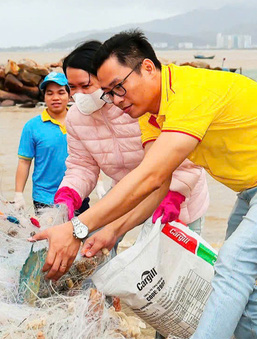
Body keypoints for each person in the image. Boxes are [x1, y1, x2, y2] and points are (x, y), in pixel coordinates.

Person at [34, 30, 257, 339]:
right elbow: (157, 181)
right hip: (254, 187)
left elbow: (148, 177)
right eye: (107, 93)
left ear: (147, 68)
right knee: (235, 273)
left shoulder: (190, 93)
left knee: (233, 265)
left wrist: (77, 227)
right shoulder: (148, 114)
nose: (115, 100)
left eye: (118, 87)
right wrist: (113, 231)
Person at [54, 40, 209, 238]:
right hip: (126, 191)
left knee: (176, 260)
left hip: (176, 196)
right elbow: (82, 166)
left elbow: (186, 158)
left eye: (85, 85)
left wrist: (175, 193)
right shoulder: (75, 118)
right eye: (72, 88)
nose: (78, 95)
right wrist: (69, 194)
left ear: (105, 78)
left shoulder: (136, 106)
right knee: (94, 240)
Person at [15, 73, 71, 211]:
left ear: (69, 95)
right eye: (50, 93)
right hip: (45, 198)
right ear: (44, 97)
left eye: (61, 92)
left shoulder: (80, 121)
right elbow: (24, 161)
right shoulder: (32, 126)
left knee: (80, 233)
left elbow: (89, 156)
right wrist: (18, 194)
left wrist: (99, 183)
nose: (56, 98)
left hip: (77, 193)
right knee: (48, 233)